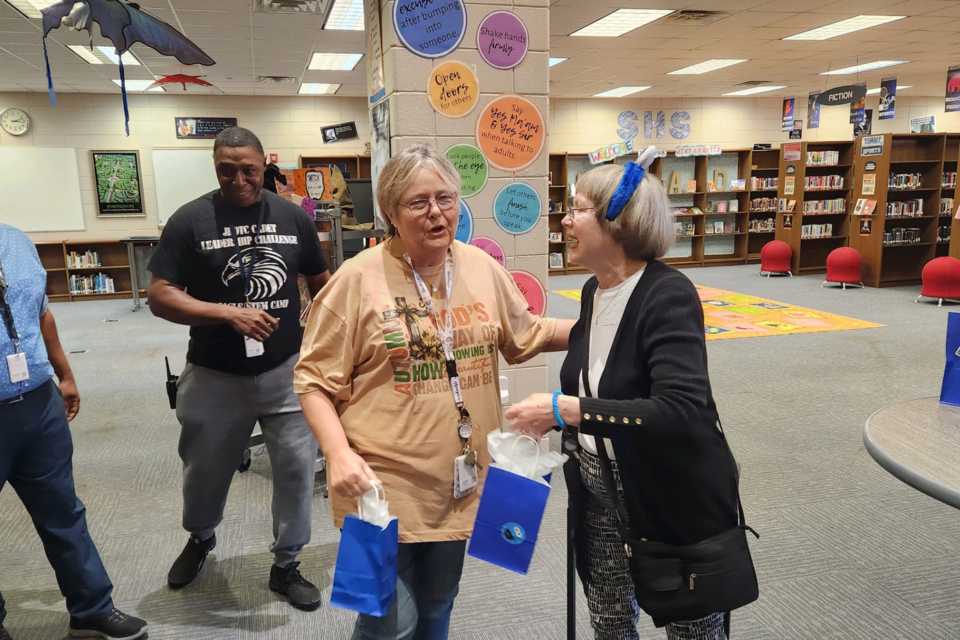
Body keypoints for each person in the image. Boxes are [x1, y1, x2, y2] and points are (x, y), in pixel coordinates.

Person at [294, 143, 574, 640]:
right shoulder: (354, 281)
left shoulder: (480, 267)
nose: (436, 214)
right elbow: (313, 381)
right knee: (387, 622)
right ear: (390, 214)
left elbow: (526, 334)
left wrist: (612, 324)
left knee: (439, 607)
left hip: (459, 484)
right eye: (418, 203)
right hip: (380, 487)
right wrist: (336, 454)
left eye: (445, 198)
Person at [507, 147, 748, 640]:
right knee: (610, 620)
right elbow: (602, 370)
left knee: (691, 625)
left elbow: (680, 410)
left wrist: (566, 410)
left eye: (575, 209)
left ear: (616, 221)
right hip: (598, 491)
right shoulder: (596, 291)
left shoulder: (669, 294)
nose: (565, 220)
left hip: (666, 491)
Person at [147, 127, 331, 610]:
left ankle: (286, 565)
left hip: (288, 371)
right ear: (215, 168)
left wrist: (323, 337)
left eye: (248, 170)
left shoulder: (293, 217)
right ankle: (201, 538)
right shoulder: (190, 220)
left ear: (263, 166)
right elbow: (160, 294)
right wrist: (227, 312)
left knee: (295, 471)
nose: (239, 180)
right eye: (226, 171)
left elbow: (321, 279)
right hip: (213, 372)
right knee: (204, 473)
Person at [0, 223, 148, 640]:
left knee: (63, 511)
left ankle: (91, 610)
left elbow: (40, 310)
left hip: (36, 401)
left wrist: (64, 373)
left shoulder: (15, 241)